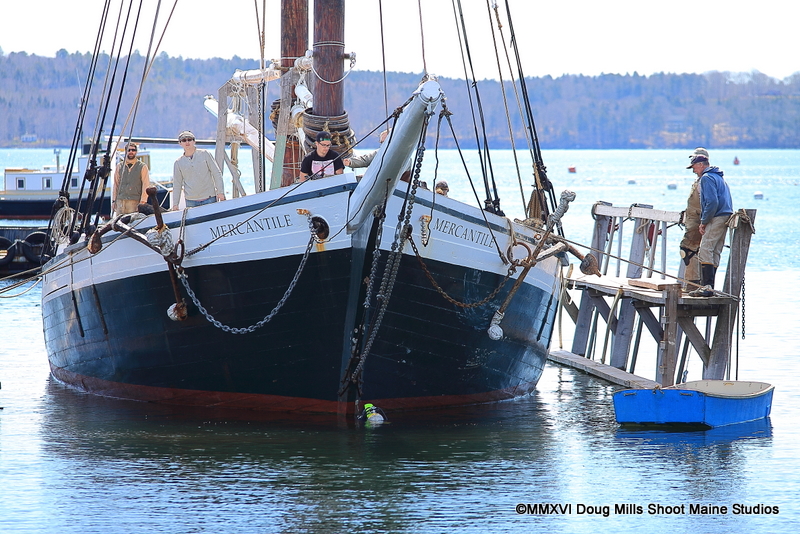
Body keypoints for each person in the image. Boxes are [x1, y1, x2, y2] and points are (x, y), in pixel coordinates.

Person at [686, 152, 733, 297]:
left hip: (716, 216)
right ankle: (710, 287)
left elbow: (712, 202)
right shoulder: (719, 177)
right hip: (726, 215)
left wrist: (704, 221)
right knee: (715, 250)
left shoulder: (706, 178)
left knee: (705, 249)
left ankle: (707, 287)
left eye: (694, 167)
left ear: (701, 165)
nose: (694, 171)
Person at [171, 130, 225, 210]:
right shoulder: (178, 163)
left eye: (189, 139)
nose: (187, 142)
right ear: (180, 143)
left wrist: (220, 192)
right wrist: (175, 204)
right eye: (184, 140)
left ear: (194, 141)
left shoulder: (205, 154)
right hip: (191, 201)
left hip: (209, 198)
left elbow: (216, 173)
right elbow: (177, 184)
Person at [679, 147, 708, 289]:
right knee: (696, 252)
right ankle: (696, 284)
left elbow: (708, 202)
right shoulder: (701, 179)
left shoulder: (705, 180)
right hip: (694, 221)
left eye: (694, 163)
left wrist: (704, 221)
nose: (693, 168)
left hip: (698, 222)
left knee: (688, 250)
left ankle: (693, 285)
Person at [112, 142, 150, 215]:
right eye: (128, 150)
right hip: (120, 202)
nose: (131, 152)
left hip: (134, 202)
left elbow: (146, 185)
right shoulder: (119, 166)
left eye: (133, 150)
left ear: (136, 152)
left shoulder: (142, 167)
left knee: (133, 222)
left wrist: (142, 202)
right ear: (125, 151)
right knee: (118, 221)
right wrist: (114, 201)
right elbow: (116, 184)